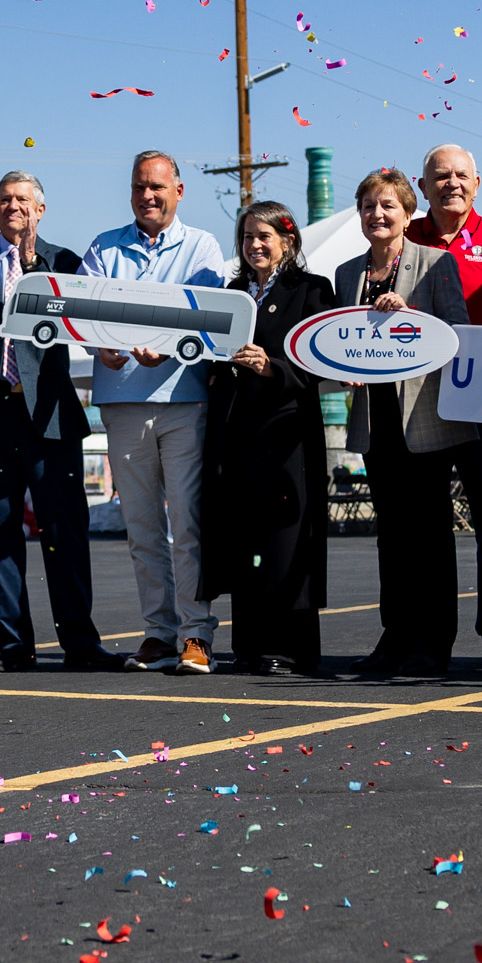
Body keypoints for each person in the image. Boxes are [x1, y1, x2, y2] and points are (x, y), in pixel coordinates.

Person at [0, 172, 125, 671]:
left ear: (40, 209)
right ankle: (14, 646)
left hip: (48, 416)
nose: (12, 206)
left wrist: (32, 265)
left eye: (22, 199)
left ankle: (80, 644)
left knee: (65, 531)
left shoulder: (64, 262)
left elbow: (87, 324)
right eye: (4, 199)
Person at [81, 152, 230, 675]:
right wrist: (101, 346)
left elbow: (206, 316)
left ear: (178, 192)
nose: (147, 195)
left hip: (182, 402)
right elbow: (86, 314)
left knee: (187, 526)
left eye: (157, 187)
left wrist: (167, 349)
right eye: (139, 186)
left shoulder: (202, 246)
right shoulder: (103, 247)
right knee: (142, 529)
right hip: (122, 403)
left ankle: (196, 634)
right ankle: (158, 633)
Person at [332, 166, 476, 680]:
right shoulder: (347, 274)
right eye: (369, 205)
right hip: (375, 422)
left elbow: (457, 334)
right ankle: (394, 637)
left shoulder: (436, 263)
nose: (378, 214)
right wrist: (342, 369)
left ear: (408, 213)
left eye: (388, 205)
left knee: (429, 535)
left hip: (423, 420)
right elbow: (340, 342)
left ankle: (433, 644)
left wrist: (411, 315)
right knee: (390, 537)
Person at [200, 201, 340, 675]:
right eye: (247, 237)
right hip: (237, 431)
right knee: (246, 538)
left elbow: (323, 359)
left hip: (286, 432)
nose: (254, 245)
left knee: (285, 538)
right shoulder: (232, 293)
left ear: (288, 240)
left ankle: (291, 646)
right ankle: (251, 644)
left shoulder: (312, 290)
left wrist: (272, 367)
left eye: (264, 236)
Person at [406, 144, 482, 663]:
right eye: (440, 176)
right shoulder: (403, 237)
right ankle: (429, 639)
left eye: (461, 175)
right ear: (421, 186)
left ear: (477, 184)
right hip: (421, 400)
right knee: (425, 524)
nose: (451, 183)